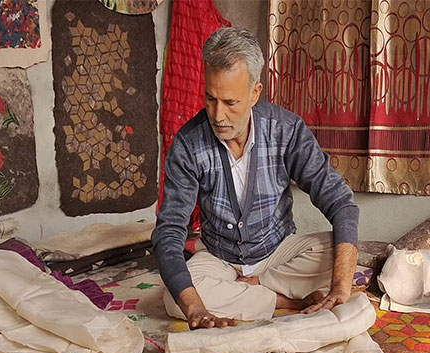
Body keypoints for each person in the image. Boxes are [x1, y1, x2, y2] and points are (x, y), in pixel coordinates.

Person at [152, 27, 359, 329]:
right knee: (175, 299)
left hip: (276, 253)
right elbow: (168, 231)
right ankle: (283, 300)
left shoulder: (286, 131)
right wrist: (195, 309)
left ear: (254, 93)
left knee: (339, 250)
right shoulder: (189, 143)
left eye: (230, 102)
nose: (218, 115)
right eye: (210, 99)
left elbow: (342, 205)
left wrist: (341, 288)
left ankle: (258, 286)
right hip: (219, 258)